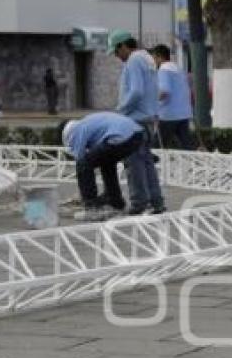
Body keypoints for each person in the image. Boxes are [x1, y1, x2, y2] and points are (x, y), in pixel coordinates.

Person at [108, 29, 166, 215]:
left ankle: (139, 203)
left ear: (124, 45)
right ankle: (156, 202)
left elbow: (136, 92)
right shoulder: (147, 59)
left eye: (117, 52)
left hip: (135, 121)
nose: (117, 57)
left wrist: (120, 110)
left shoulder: (133, 60)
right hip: (148, 119)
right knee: (147, 162)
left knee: (134, 165)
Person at [61, 112, 144, 221]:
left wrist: (84, 192)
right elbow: (98, 154)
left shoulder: (77, 130)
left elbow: (81, 160)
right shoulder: (89, 123)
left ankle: (91, 208)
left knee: (84, 164)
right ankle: (116, 203)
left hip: (121, 136)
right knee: (107, 163)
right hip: (136, 133)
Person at [151, 44, 195, 150]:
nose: (153, 62)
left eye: (153, 58)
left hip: (168, 115)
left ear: (159, 57)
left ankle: (152, 166)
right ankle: (191, 166)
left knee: (156, 148)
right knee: (186, 147)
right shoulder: (178, 69)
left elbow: (165, 91)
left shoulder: (163, 70)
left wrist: (152, 102)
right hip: (184, 114)